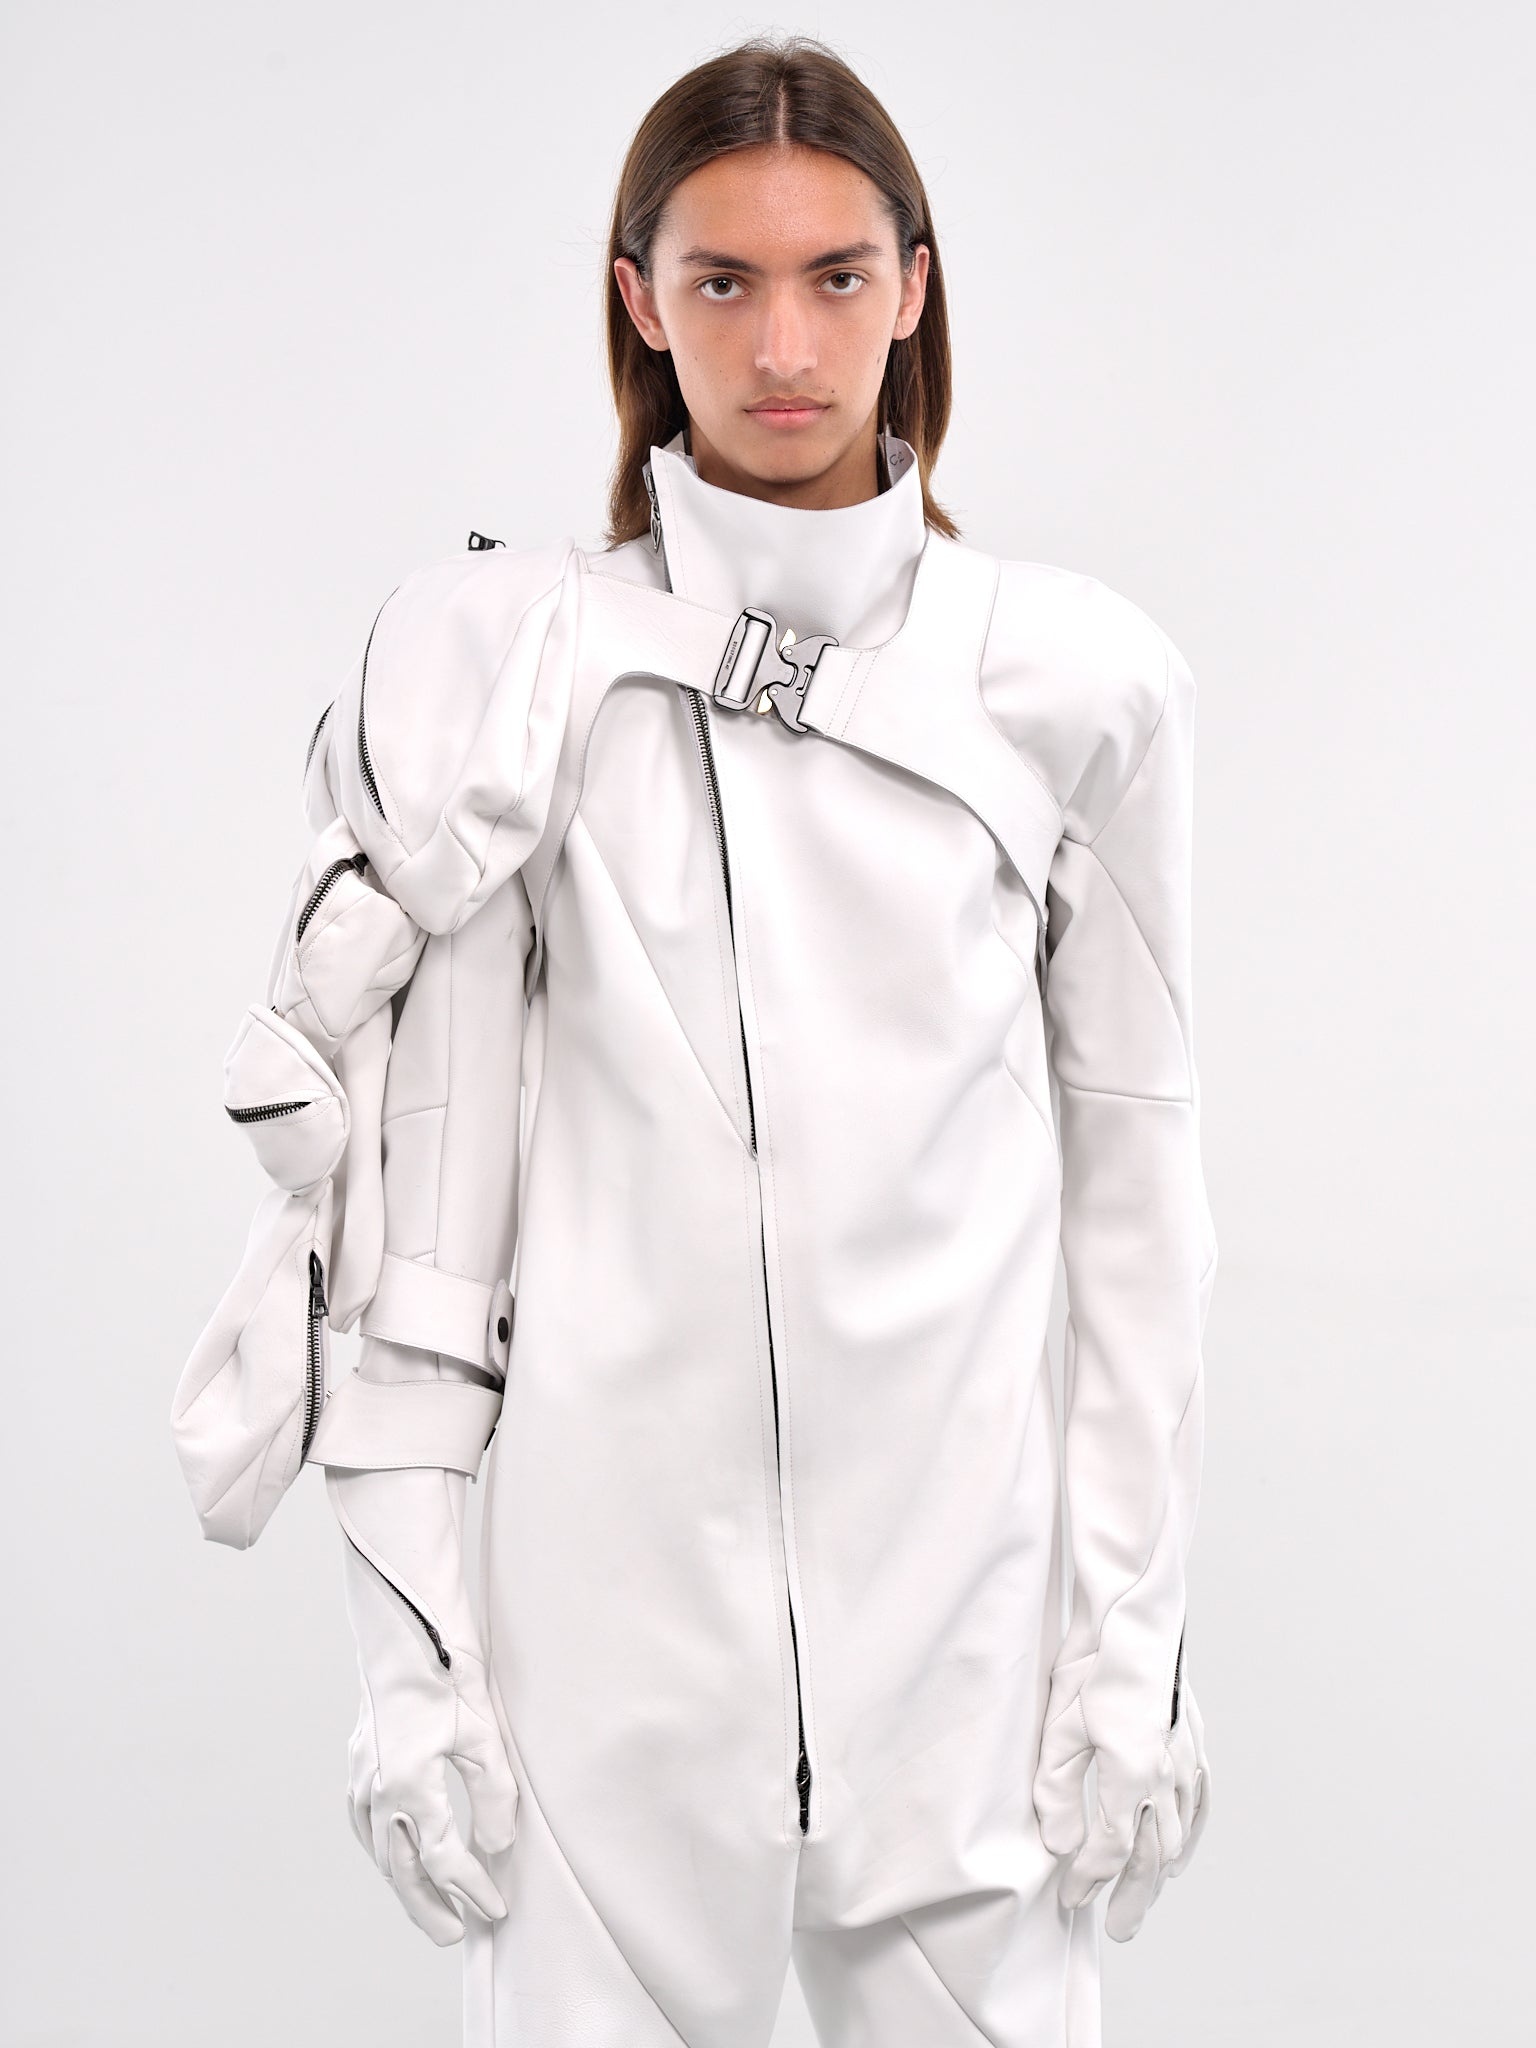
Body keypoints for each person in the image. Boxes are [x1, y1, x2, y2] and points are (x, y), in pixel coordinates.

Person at [174, 32, 1217, 2048]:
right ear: (640, 304)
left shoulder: (1078, 687)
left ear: (914, 286)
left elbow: (1138, 1215)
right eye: (723, 281)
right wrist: (415, 1660)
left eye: (837, 275)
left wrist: (1129, 1646)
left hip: (969, 1670)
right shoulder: (509, 675)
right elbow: (425, 1240)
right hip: (602, 1685)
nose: (784, 342)